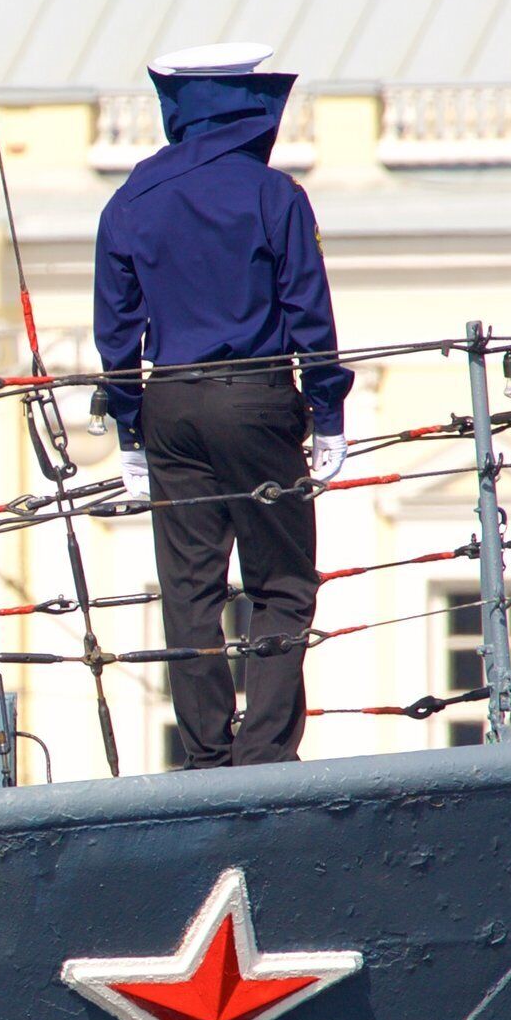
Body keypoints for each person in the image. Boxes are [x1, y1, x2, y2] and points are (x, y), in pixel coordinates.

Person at [92, 42, 351, 768]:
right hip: (259, 401)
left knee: (189, 587)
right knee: (284, 579)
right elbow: (309, 313)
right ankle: (263, 751)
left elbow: (116, 327)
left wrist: (129, 428)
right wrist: (327, 414)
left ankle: (205, 754)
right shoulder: (276, 197)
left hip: (168, 403)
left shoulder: (133, 199)